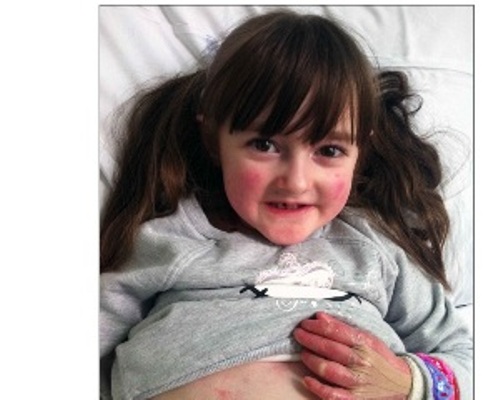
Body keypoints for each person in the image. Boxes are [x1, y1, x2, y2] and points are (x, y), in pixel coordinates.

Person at [99, 9, 472, 400]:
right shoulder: (168, 241)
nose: (296, 181)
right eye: (264, 145)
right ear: (212, 139)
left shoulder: (377, 250)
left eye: (329, 150)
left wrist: (410, 381)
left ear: (360, 152)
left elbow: (462, 355)